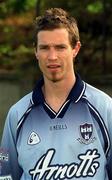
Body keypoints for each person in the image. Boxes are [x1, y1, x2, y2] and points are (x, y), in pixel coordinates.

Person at [0, 7, 112, 180]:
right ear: (35, 51)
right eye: (45, 48)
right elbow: (5, 175)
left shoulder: (105, 109)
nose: (52, 57)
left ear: (75, 49)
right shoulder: (17, 114)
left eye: (60, 47)